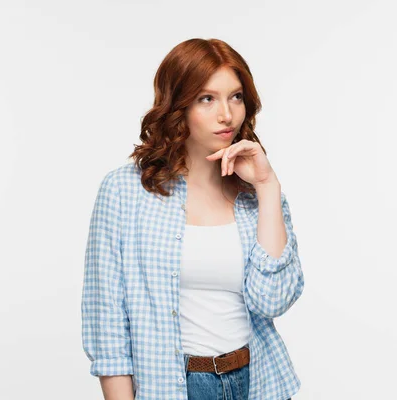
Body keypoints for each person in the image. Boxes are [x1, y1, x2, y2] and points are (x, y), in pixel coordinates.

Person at [81, 38, 304, 400]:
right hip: (174, 386)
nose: (227, 115)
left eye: (236, 97)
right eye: (207, 98)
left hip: (259, 383)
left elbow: (273, 300)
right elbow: (106, 321)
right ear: (177, 106)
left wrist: (267, 186)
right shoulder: (124, 191)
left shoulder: (256, 193)